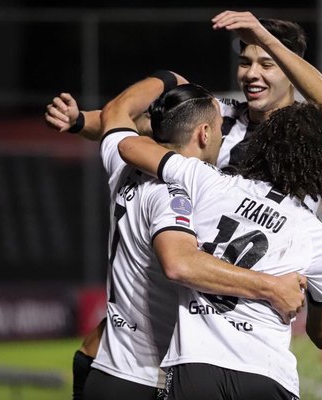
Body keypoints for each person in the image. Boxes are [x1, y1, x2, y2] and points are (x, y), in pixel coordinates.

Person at [44, 10, 322, 398]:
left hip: (243, 305)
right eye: (245, 62)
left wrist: (261, 34)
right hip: (195, 283)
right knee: (110, 341)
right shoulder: (220, 117)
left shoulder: (306, 144)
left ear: (289, 66)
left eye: (267, 62)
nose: (252, 73)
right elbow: (143, 125)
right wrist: (82, 120)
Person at [107, 73, 322, 399]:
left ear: (261, 147)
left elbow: (128, 145)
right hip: (268, 376)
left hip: (196, 368)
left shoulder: (210, 182)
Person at [64, 73, 307, 400]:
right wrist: (272, 287)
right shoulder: (175, 193)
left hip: (104, 364)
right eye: (221, 127)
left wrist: (168, 78)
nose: (224, 136)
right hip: (147, 375)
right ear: (204, 133)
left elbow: (117, 110)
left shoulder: (120, 163)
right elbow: (179, 264)